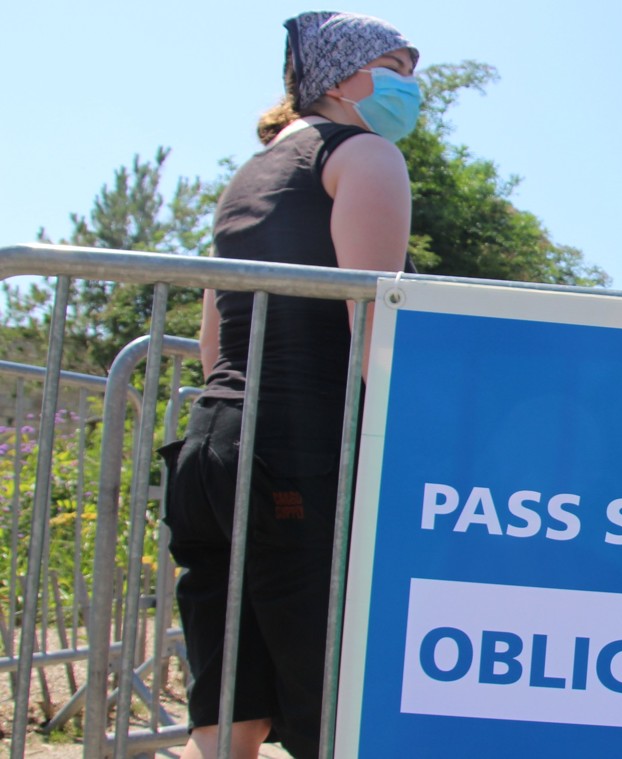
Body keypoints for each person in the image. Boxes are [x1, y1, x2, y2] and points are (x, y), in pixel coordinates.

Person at [158, 11, 420, 758]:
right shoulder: (363, 156)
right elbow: (374, 322)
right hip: (298, 454)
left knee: (228, 715)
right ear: (340, 80)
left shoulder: (252, 171)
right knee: (333, 710)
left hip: (212, 446)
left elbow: (215, 336)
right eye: (396, 67)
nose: (411, 85)